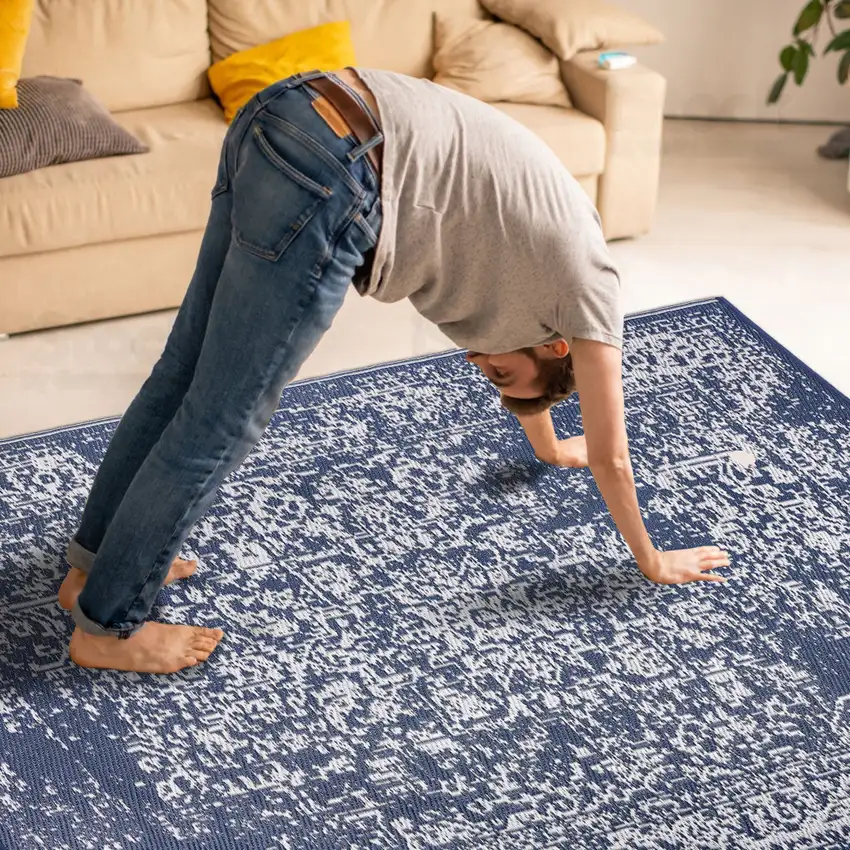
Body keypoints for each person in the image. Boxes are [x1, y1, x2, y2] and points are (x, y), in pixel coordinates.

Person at [58, 68, 731, 675]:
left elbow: (537, 383)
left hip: (290, 110)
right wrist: (650, 558)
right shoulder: (591, 292)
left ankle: (93, 567)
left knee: (183, 374)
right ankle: (110, 627)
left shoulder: (549, 289)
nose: (478, 365)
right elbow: (613, 455)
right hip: (339, 166)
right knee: (223, 417)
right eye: (498, 376)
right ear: (556, 346)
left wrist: (550, 446)